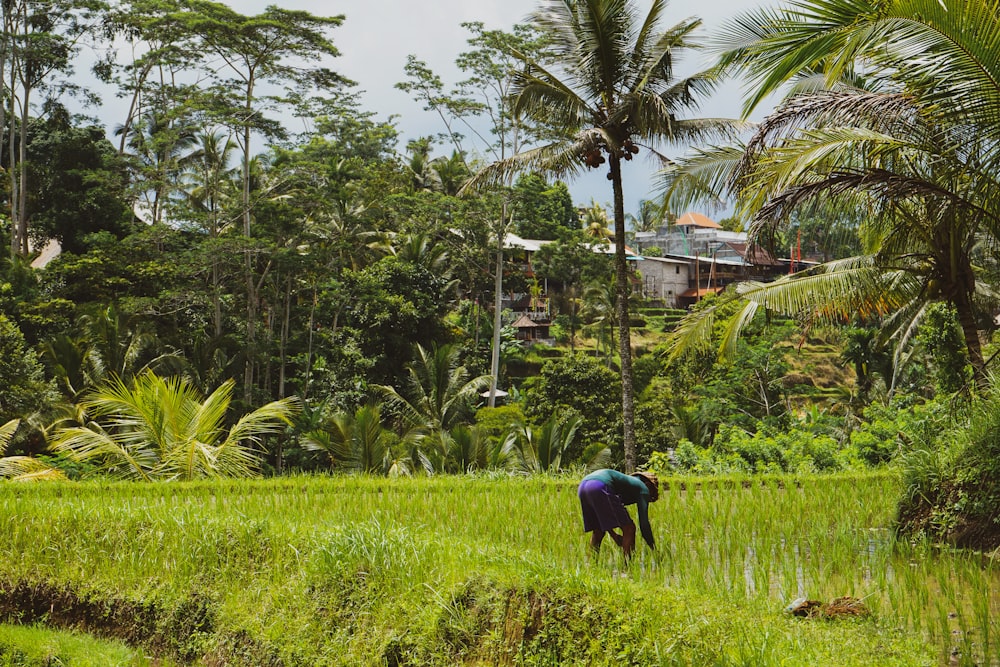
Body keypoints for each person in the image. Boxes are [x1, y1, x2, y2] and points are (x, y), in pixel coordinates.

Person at [577, 468, 659, 560]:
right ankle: (628, 565)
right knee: (629, 528)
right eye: (651, 493)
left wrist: (614, 536)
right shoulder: (643, 488)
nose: (648, 496)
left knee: (598, 530)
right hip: (601, 485)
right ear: (648, 485)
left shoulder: (625, 485)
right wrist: (654, 550)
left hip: (583, 486)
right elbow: (644, 525)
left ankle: (591, 565)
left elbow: (603, 520)